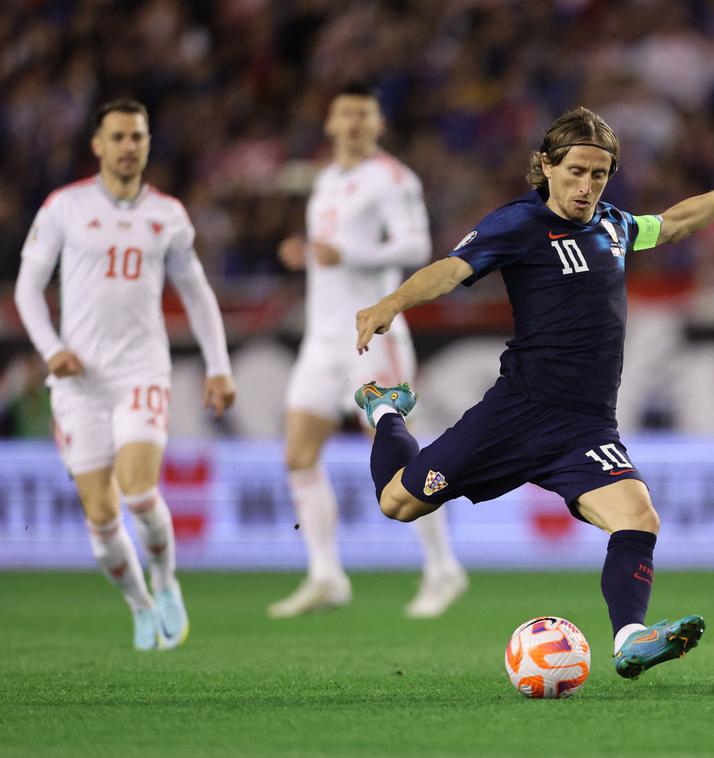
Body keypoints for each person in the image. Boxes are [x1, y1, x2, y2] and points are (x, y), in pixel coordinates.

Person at [354, 107, 714, 678]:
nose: (587, 185)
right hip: (517, 413)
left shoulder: (613, 226)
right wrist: (392, 303)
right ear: (547, 167)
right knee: (397, 503)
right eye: (576, 171)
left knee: (639, 517)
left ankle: (629, 638)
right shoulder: (516, 224)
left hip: (586, 426)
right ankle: (386, 411)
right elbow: (452, 270)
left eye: (599, 174)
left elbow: (674, 222)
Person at [14, 99, 236, 651]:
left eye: (137, 136)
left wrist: (218, 366)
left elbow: (196, 293)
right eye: (117, 137)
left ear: (147, 142)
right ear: (98, 145)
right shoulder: (64, 207)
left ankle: (164, 583)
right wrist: (51, 349)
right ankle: (138, 603)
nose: (128, 146)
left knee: (139, 492)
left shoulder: (168, 214)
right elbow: (26, 288)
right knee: (101, 514)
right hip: (78, 381)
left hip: (142, 370)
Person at [269, 83, 467, 619]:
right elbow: (328, 255)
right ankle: (326, 575)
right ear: (330, 123)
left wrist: (344, 252)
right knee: (298, 453)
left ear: (379, 123)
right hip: (322, 339)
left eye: (364, 113)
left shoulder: (393, 179)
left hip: (372, 337)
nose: (354, 122)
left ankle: (443, 568)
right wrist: (311, 254)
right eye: (344, 113)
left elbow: (415, 247)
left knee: (398, 458)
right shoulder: (327, 180)